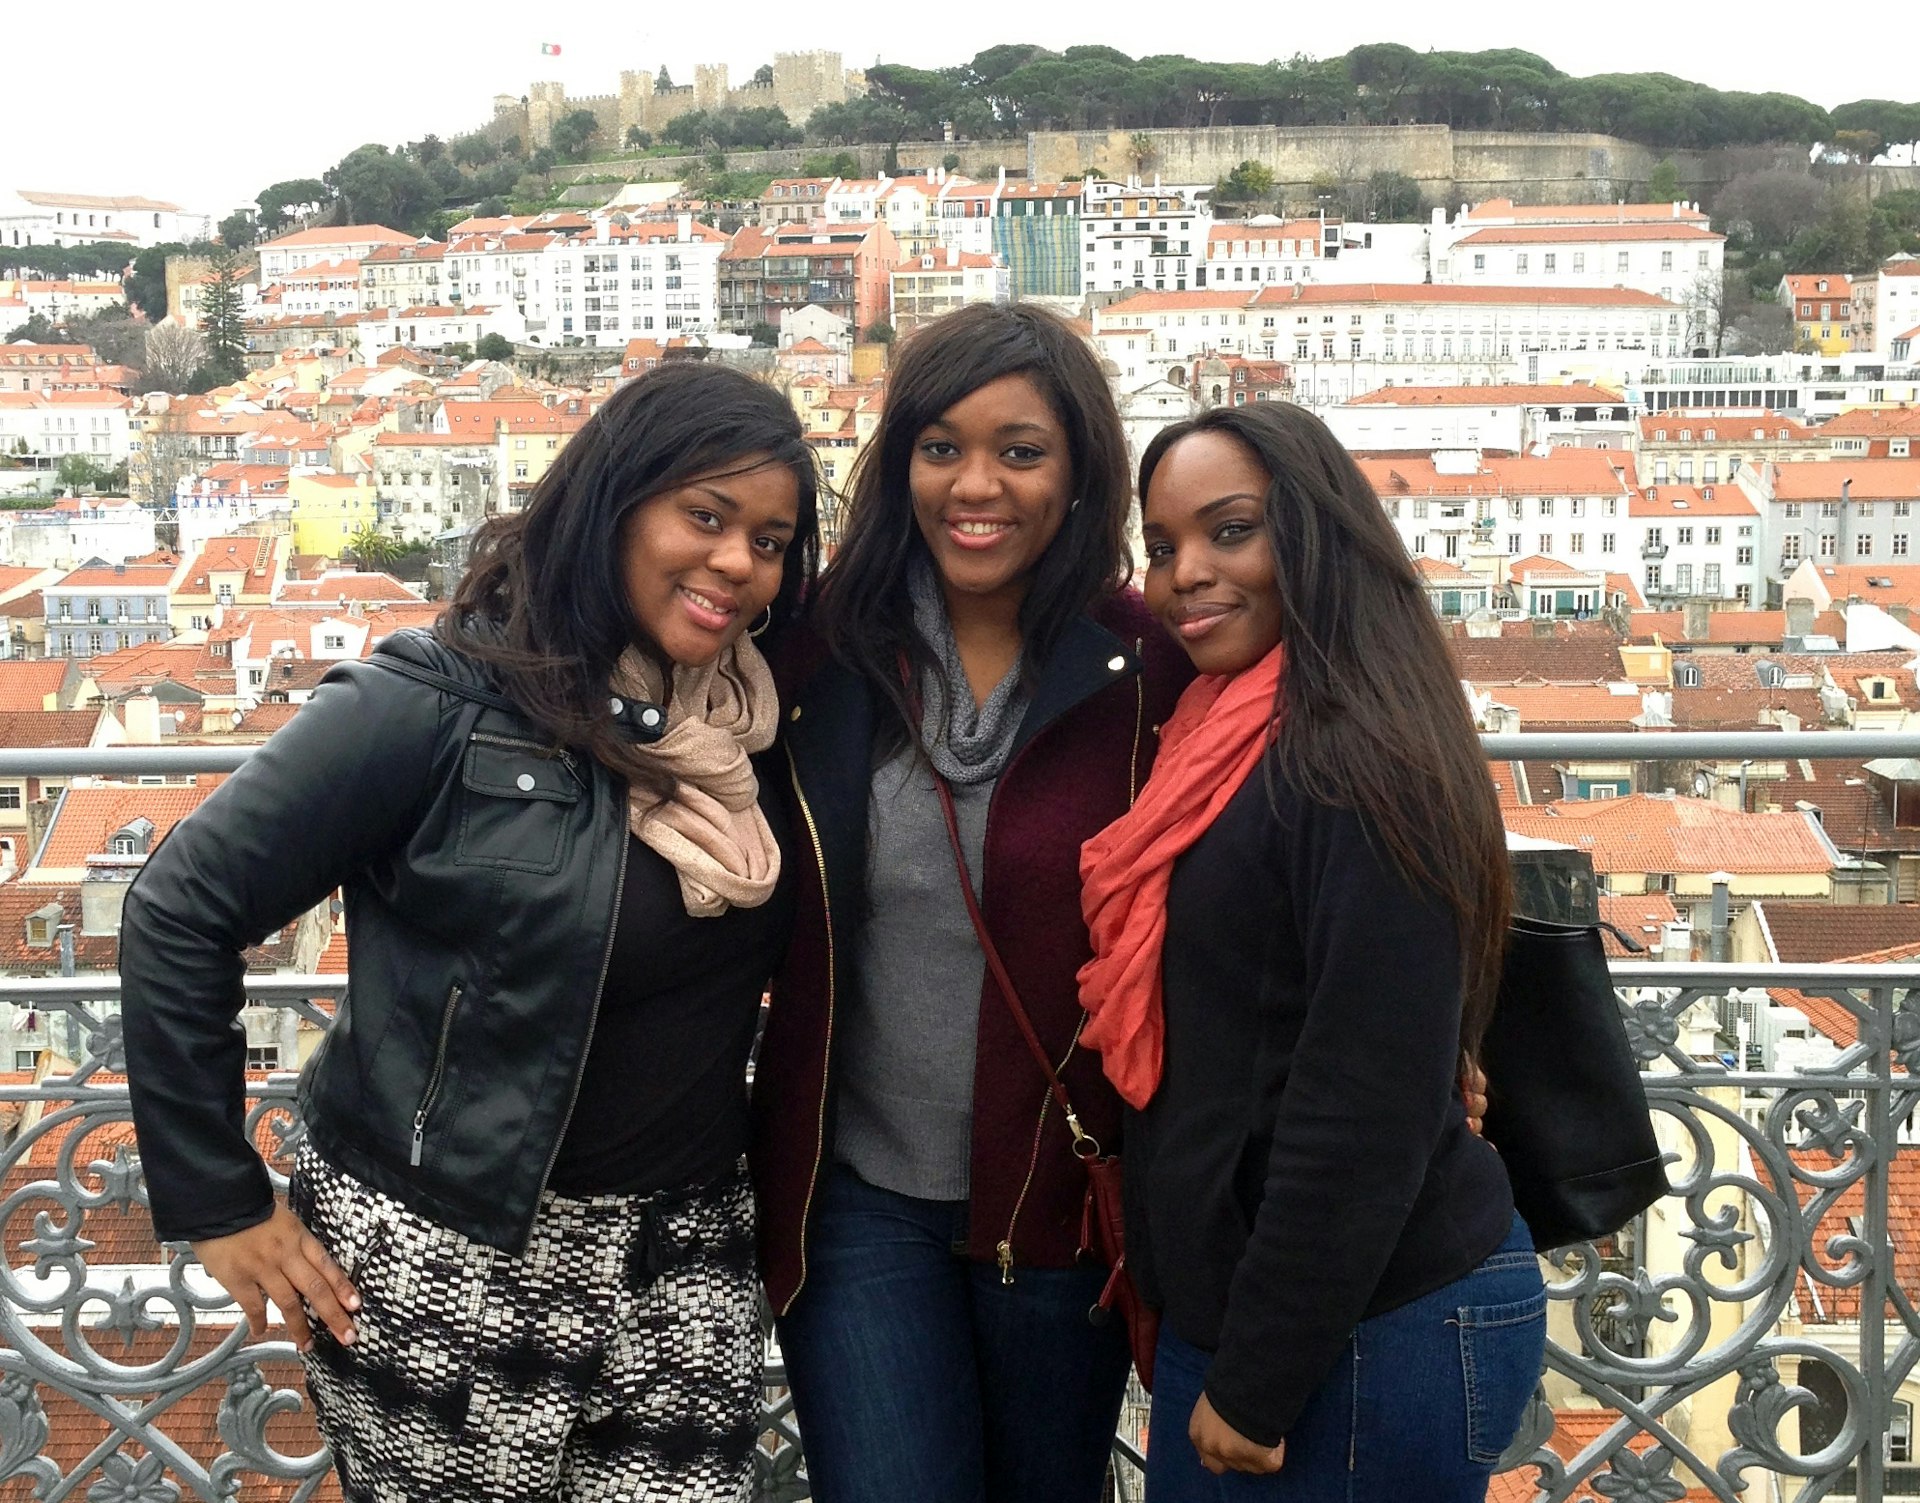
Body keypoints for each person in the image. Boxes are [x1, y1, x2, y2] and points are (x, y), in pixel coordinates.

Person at [118, 362, 820, 1503]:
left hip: (685, 1263)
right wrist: (219, 1202)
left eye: (773, 540)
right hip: (445, 1260)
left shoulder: (755, 732)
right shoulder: (439, 702)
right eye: (706, 515)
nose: (739, 562)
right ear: (613, 503)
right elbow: (177, 909)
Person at [750, 303, 1194, 1503]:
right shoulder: (824, 650)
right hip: (858, 1197)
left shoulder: (1154, 666)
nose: (974, 485)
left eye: (1021, 450)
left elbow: (1308, 821)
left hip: (1064, 1199)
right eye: (940, 447)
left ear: (1080, 471)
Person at [1078, 402, 1546, 1502]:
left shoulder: (1356, 765)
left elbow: (1362, 1100)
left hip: (1355, 1330)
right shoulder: (1226, 737)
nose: (1185, 572)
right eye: (1161, 545)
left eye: (1230, 530)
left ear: (1319, 535)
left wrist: (1257, 1382)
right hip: (1282, 1317)